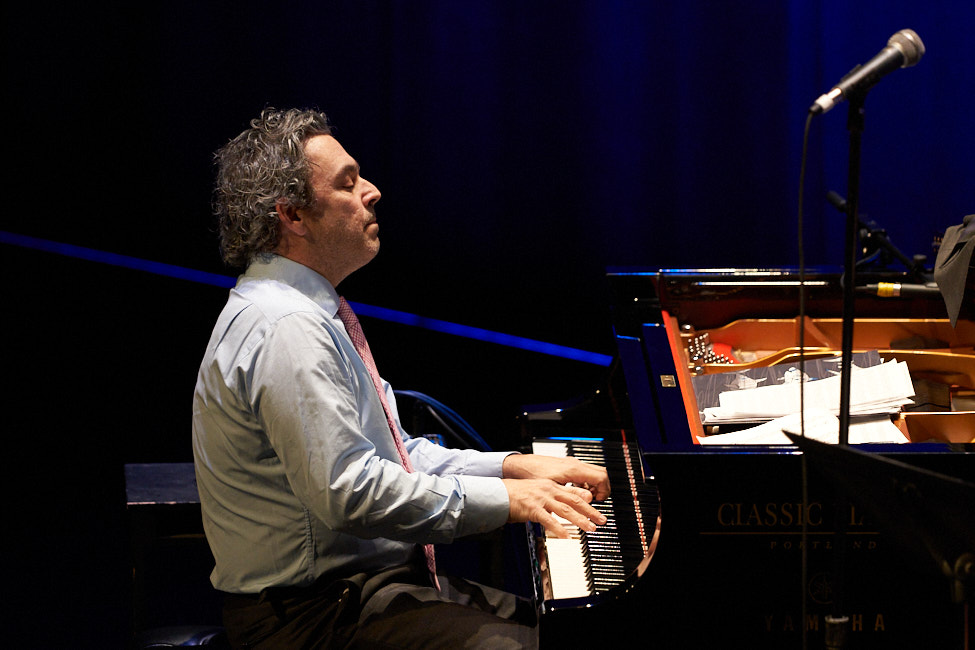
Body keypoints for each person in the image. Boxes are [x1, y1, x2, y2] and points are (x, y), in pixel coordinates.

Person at [192, 107, 611, 649]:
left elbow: (396, 454)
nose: (372, 191)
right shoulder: (288, 326)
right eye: (348, 183)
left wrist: (512, 465)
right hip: (314, 618)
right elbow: (352, 492)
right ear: (293, 215)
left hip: (359, 593)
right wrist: (511, 500)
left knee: (576, 631)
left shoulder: (306, 308)